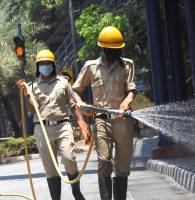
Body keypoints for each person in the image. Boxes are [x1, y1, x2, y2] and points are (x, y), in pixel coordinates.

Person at [71, 26, 136, 200]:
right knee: (105, 161)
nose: (116, 52)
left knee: (122, 165)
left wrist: (126, 101)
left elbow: (131, 90)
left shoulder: (127, 65)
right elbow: (75, 89)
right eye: (112, 49)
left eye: (118, 49)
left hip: (122, 120)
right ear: (104, 48)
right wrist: (80, 102)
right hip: (101, 121)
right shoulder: (91, 67)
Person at [17, 49, 90, 200]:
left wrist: (82, 124)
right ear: (38, 67)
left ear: (53, 65)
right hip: (42, 129)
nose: (45, 66)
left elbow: (72, 105)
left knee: (69, 159)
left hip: (62, 126)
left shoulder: (63, 82)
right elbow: (32, 110)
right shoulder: (32, 86)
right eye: (41, 64)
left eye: (47, 63)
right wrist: (26, 93)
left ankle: (76, 192)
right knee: (50, 168)